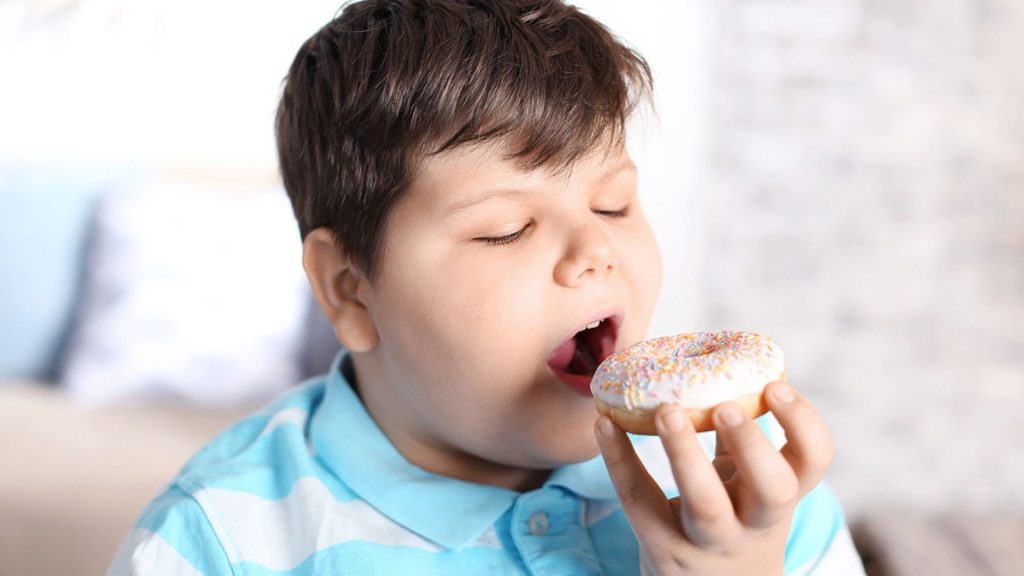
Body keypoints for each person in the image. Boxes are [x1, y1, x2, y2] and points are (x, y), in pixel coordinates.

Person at [108, 1, 865, 574]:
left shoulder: (754, 497)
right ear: (350, 290)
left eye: (614, 204)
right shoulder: (220, 542)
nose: (594, 248)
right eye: (506, 228)